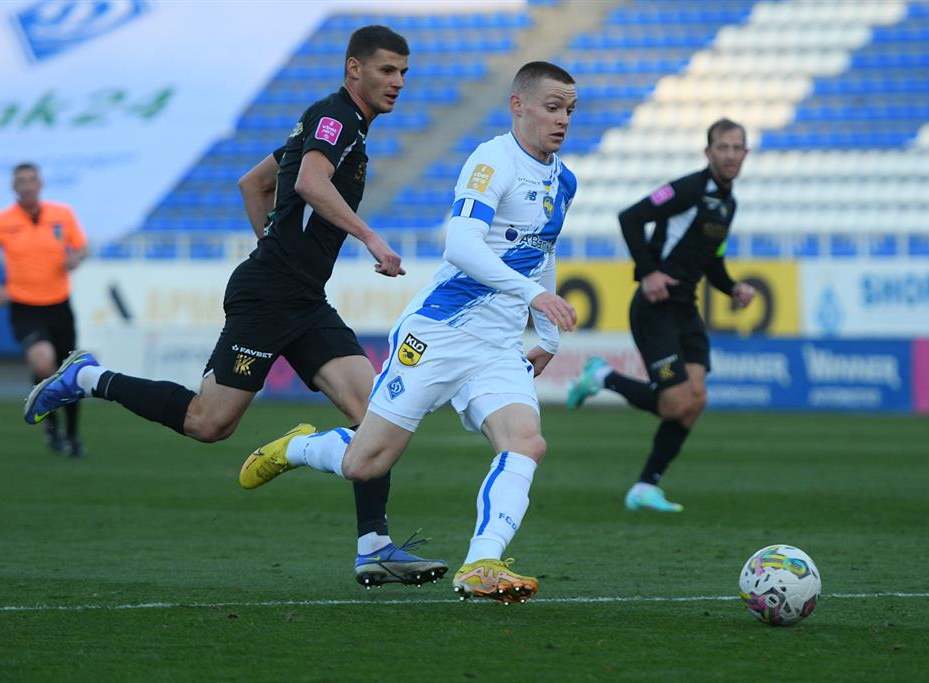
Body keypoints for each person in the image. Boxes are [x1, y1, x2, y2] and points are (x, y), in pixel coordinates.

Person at [22, 26, 447, 587]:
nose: (398, 82)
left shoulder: (340, 127)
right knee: (209, 422)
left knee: (374, 416)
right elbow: (311, 182)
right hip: (270, 295)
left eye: (404, 72)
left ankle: (373, 547)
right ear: (354, 69)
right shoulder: (337, 118)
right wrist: (368, 238)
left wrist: (275, 246)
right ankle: (88, 377)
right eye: (387, 70)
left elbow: (254, 183)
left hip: (300, 296)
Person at [241, 61, 579, 604]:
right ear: (518, 105)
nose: (562, 119)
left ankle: (482, 563)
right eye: (553, 107)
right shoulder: (493, 161)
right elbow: (461, 246)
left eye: (569, 110)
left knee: (526, 442)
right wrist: (533, 297)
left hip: (496, 347)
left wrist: (549, 336)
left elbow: (543, 254)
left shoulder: (564, 180)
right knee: (365, 462)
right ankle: (297, 447)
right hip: (440, 331)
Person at [566, 118, 756, 512]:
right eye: (723, 147)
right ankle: (601, 376)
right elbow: (630, 217)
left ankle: (644, 487)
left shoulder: (728, 204)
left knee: (696, 400)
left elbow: (712, 261)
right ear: (708, 152)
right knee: (675, 404)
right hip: (656, 310)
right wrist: (649, 272)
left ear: (746, 153)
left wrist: (733, 287)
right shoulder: (688, 189)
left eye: (737, 148)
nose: (730, 155)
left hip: (687, 310)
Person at [0, 162, 89, 458]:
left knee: (68, 372)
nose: (27, 185)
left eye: (31, 180)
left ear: (40, 184)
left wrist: (76, 258)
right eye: (21, 181)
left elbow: (82, 247)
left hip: (59, 304)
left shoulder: (62, 214)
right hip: (24, 306)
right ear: (14, 187)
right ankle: (51, 424)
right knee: (43, 362)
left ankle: (72, 435)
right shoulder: (2, 221)